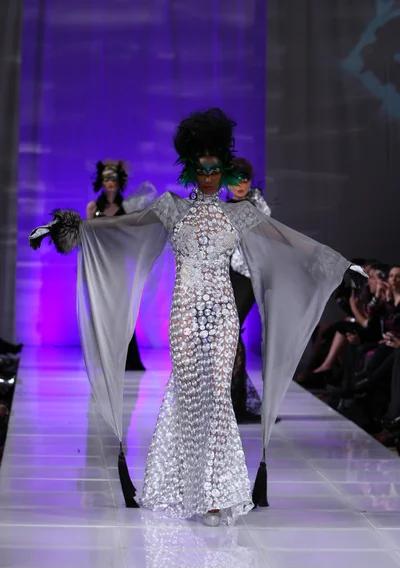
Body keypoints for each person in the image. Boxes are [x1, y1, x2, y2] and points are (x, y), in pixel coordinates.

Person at [28, 108, 366, 526]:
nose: (208, 176)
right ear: (190, 168)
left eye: (215, 168)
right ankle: (183, 485)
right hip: (185, 313)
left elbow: (290, 242)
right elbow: (122, 227)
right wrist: (69, 228)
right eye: (201, 168)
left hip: (222, 314)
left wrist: (340, 266)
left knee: (217, 396)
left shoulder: (240, 215)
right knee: (188, 393)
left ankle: (214, 492)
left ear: (222, 170)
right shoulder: (171, 209)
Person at [87, 160, 157, 370]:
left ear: (119, 182)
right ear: (101, 180)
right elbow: (88, 237)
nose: (110, 182)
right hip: (99, 264)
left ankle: (127, 359)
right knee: (101, 310)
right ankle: (104, 358)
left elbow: (131, 237)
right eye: (106, 178)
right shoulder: (93, 207)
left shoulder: (126, 207)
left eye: (113, 178)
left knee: (121, 310)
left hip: (118, 264)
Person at [226, 158, 272, 423]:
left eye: (244, 179)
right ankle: (233, 398)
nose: (240, 184)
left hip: (247, 274)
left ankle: (237, 401)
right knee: (229, 333)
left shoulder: (258, 204)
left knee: (232, 330)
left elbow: (267, 236)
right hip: (225, 273)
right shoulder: (221, 205)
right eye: (235, 179)